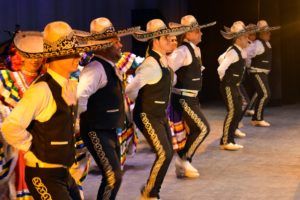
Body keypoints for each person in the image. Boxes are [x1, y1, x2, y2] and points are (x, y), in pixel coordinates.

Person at [1, 21, 113, 199]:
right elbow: (10, 127)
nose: (78, 56)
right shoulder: (42, 90)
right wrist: (32, 147)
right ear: (55, 57)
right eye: (71, 53)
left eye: (77, 51)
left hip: (63, 173)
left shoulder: (69, 85)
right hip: (44, 175)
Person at [126, 18, 189, 199]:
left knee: (168, 153)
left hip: (159, 114)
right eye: (165, 38)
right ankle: (150, 193)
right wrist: (142, 105)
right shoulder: (150, 64)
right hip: (147, 114)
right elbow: (130, 89)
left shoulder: (164, 61)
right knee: (164, 153)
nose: (170, 40)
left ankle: (151, 190)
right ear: (156, 41)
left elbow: (169, 81)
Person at [77, 17, 138, 200]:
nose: (121, 45)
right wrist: (81, 119)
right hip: (95, 129)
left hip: (106, 129)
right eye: (116, 41)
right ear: (104, 46)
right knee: (113, 177)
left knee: (114, 176)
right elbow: (80, 96)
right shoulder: (95, 68)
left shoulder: (109, 66)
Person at [167, 15, 215, 178]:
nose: (201, 33)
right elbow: (167, 69)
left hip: (192, 97)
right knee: (203, 128)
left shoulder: (196, 50)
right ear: (187, 34)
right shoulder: (182, 51)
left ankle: (184, 161)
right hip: (183, 98)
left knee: (194, 130)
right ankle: (183, 160)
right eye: (197, 30)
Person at [0, 51, 44, 200]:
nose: (35, 60)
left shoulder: (45, 81)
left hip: (42, 139)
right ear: (21, 56)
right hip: (16, 142)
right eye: (30, 55)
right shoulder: (7, 78)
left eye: (39, 55)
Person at [218, 21, 254, 150]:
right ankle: (226, 141)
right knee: (233, 111)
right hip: (228, 85)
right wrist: (225, 80)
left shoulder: (239, 50)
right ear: (238, 38)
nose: (247, 39)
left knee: (239, 109)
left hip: (234, 85)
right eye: (245, 37)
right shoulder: (233, 52)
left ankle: (230, 137)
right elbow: (221, 68)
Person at [247, 20, 280, 127]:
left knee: (260, 93)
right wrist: (248, 67)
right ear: (261, 33)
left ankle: (251, 110)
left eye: (269, 31)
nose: (269, 33)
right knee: (265, 94)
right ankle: (257, 118)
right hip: (257, 72)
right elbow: (247, 55)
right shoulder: (257, 44)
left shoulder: (267, 43)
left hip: (263, 73)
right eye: (267, 32)